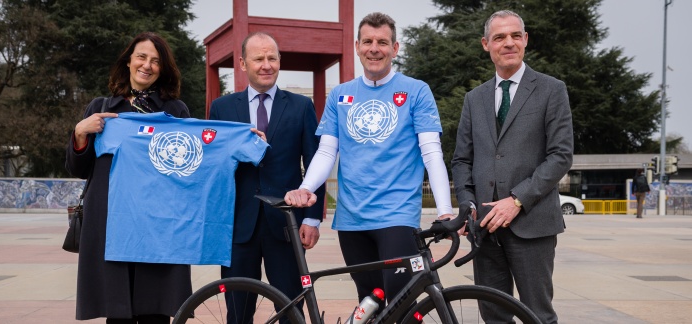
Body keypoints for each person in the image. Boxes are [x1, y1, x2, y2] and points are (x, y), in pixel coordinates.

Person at [284, 12, 454, 316]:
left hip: (397, 216)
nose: (375, 48)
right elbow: (326, 152)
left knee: (403, 307)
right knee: (369, 304)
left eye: (382, 42)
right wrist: (306, 187)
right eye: (368, 41)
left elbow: (431, 153)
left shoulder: (416, 90)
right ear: (357, 46)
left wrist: (444, 210)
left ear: (395, 48)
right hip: (352, 218)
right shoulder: (340, 94)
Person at [451, 10, 574, 324]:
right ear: (486, 44)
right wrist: (467, 205)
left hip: (532, 225)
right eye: (499, 37)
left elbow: (560, 155)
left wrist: (517, 200)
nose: (508, 43)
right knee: (493, 316)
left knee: (538, 315)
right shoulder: (474, 99)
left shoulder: (551, 90)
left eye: (515, 35)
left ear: (525, 40)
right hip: (484, 228)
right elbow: (462, 160)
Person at [65, 32, 191, 324]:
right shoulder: (100, 108)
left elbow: (191, 161)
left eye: (156, 61)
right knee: (118, 312)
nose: (147, 65)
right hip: (111, 220)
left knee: (155, 311)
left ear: (163, 68)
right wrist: (81, 132)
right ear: (128, 62)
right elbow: (78, 169)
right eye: (141, 57)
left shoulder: (175, 111)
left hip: (158, 222)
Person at [209, 32, 325, 321]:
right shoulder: (222, 108)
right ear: (243, 63)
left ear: (279, 62)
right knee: (237, 312)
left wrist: (312, 218)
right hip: (237, 226)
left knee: (291, 309)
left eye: (272, 58)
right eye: (258, 58)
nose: (266, 65)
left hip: (286, 224)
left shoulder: (300, 106)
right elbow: (213, 164)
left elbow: (315, 163)